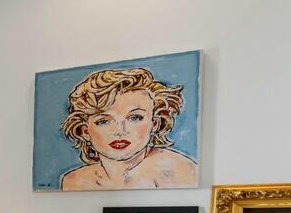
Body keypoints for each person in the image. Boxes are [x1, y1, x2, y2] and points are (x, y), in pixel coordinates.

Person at [58, 66, 198, 190]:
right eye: (103, 121)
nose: (120, 130)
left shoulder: (180, 171)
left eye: (134, 118)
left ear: (154, 124)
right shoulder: (73, 181)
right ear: (85, 131)